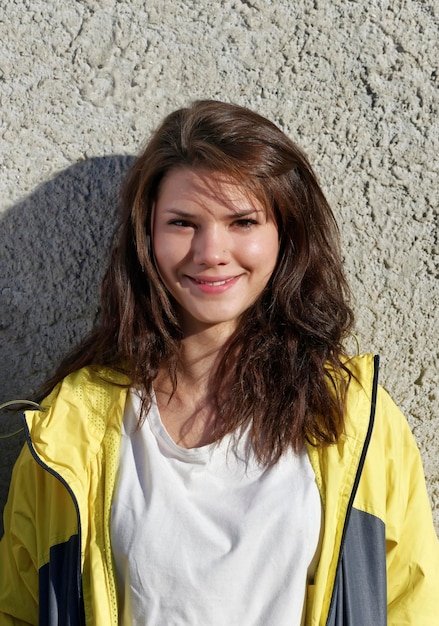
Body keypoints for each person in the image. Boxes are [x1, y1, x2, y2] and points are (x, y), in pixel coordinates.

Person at [0, 100, 438, 626]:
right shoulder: (68, 429)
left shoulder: (353, 416)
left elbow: (413, 605)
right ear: (146, 238)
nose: (211, 251)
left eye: (243, 221)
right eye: (183, 222)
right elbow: (20, 610)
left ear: (285, 233)